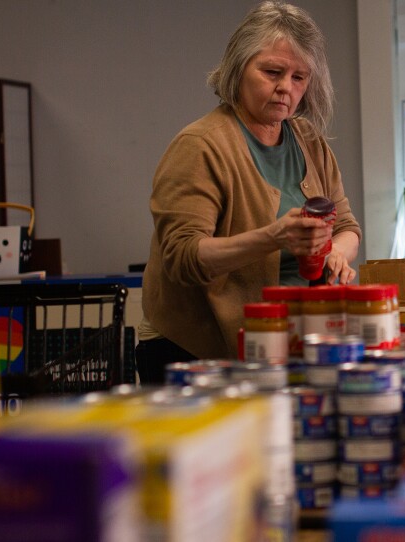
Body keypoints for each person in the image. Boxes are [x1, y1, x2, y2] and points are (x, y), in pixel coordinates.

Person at [135, 1, 362, 384]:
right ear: (238, 68)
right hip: (196, 352)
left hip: (280, 343)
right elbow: (183, 256)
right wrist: (273, 237)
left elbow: (347, 226)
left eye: (298, 77)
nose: (284, 88)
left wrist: (337, 253)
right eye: (272, 72)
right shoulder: (200, 145)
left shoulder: (309, 141)